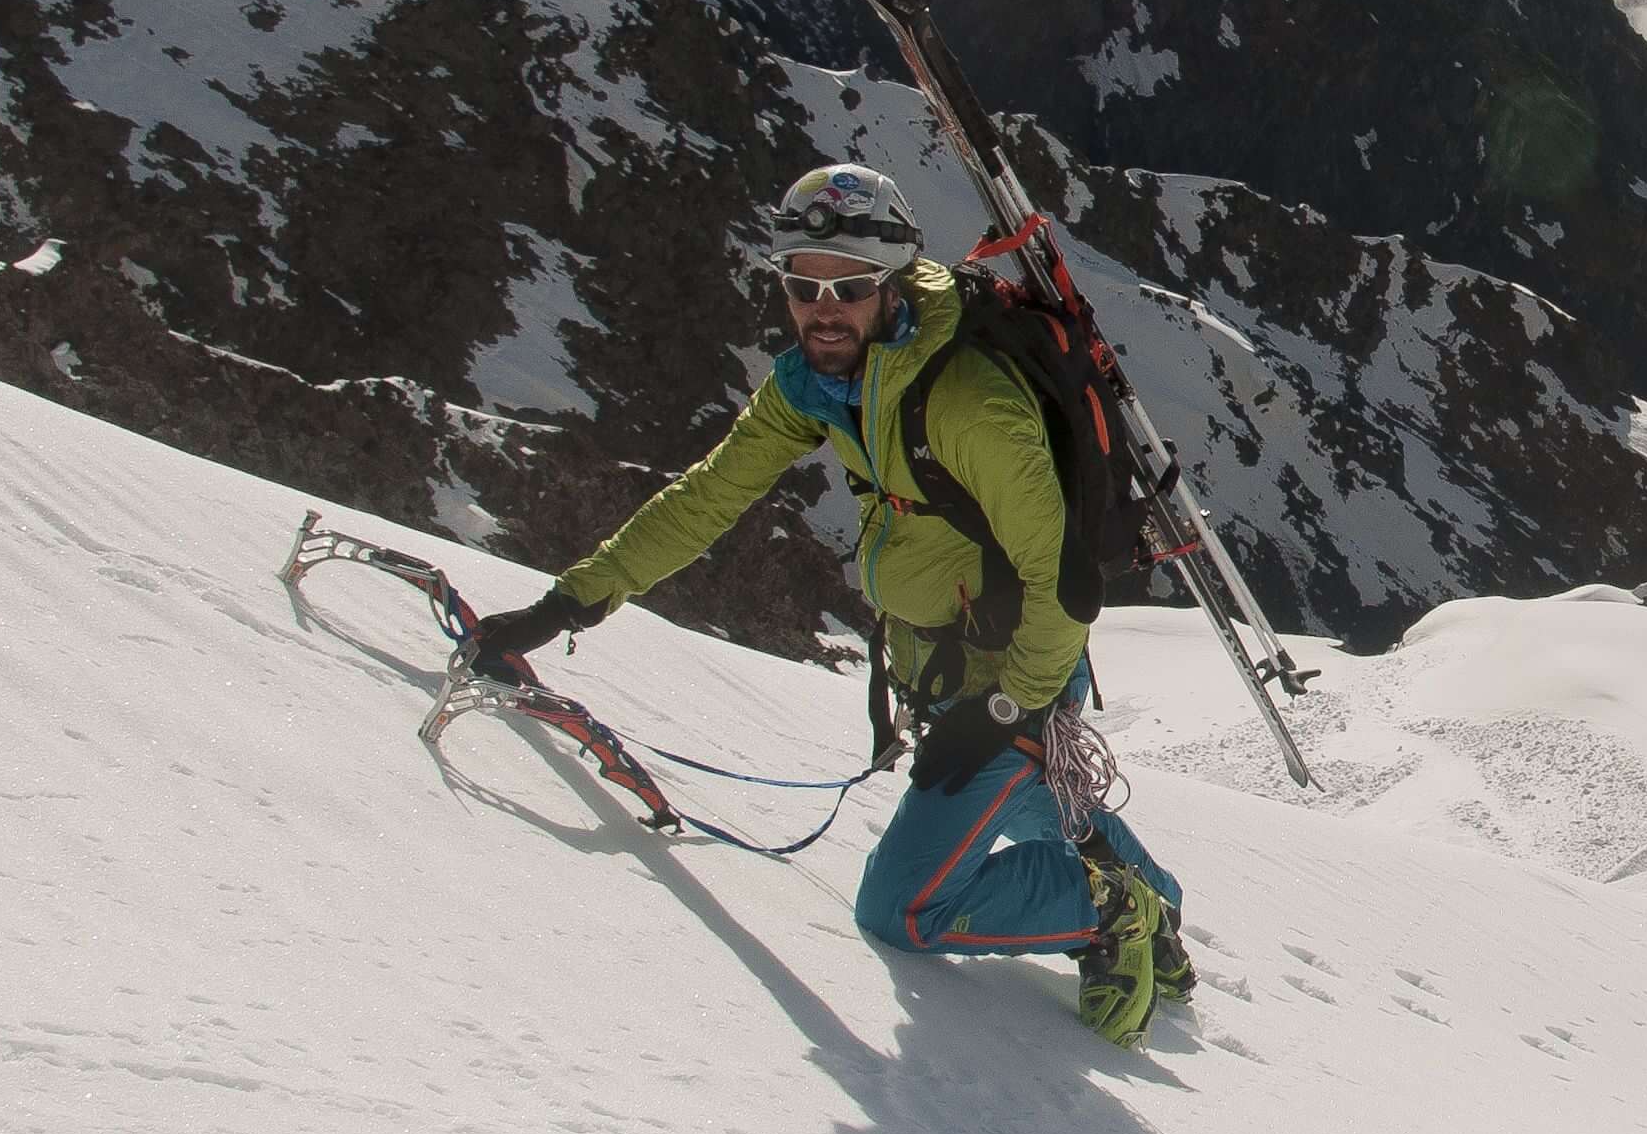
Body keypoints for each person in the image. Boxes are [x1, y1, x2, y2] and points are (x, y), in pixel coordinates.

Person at [462, 164, 1190, 1044]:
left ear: (889, 285)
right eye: (802, 285)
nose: (823, 308)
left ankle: (1109, 914)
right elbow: (707, 497)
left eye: (848, 286)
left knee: (903, 908)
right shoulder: (818, 384)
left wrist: (1008, 710)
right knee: (1038, 803)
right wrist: (566, 603)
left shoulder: (967, 404)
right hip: (946, 663)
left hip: (1013, 673)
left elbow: (1064, 583)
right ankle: (1163, 910)